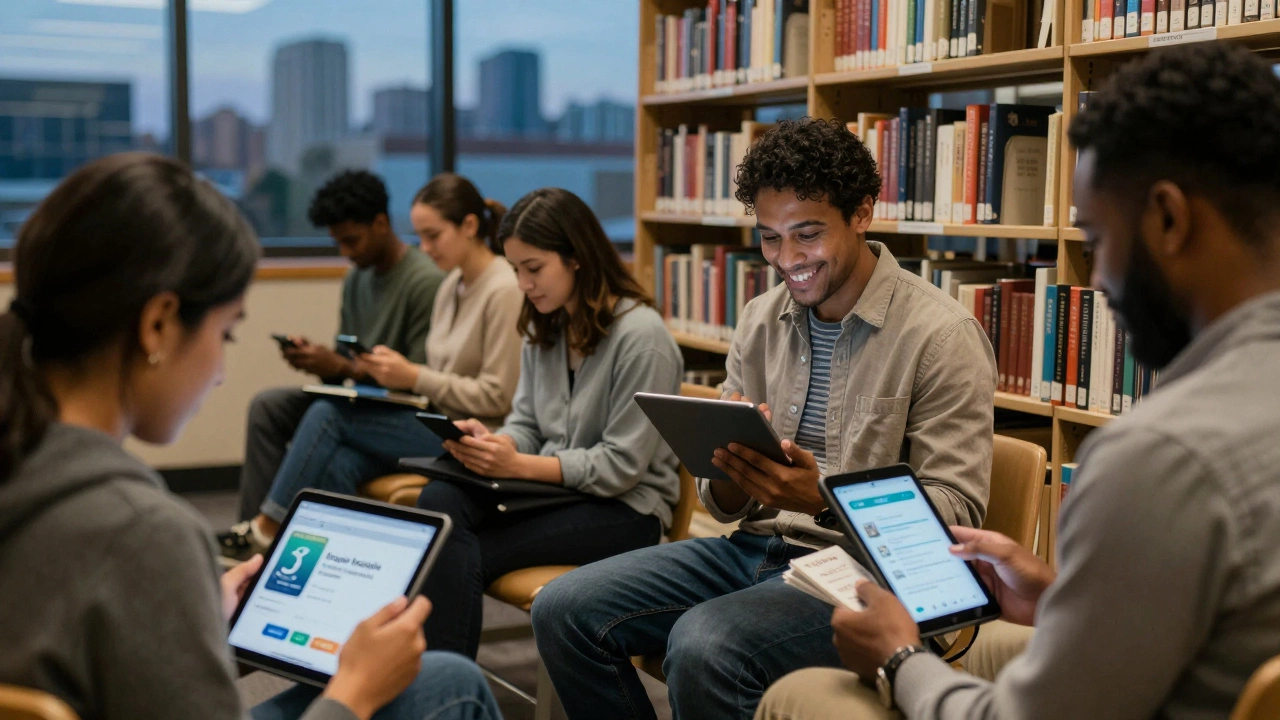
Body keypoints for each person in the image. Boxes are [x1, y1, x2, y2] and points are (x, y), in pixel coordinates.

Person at [756, 42, 1280, 720]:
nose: (1096, 281)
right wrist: (1064, 595)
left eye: (1096, 238)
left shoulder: (1158, 458)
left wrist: (900, 657)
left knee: (794, 697)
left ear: (1169, 219)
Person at [0, 153, 502, 720]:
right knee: (451, 683)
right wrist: (354, 691)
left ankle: (260, 533)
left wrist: (189, 620)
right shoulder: (143, 535)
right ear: (158, 324)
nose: (218, 370)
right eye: (227, 333)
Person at [530, 117, 997, 719]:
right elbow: (721, 505)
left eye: (807, 235)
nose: (788, 260)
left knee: (705, 643)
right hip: (759, 548)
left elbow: (954, 517)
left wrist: (822, 497)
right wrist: (728, 466)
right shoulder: (759, 318)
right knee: (563, 609)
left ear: (862, 213)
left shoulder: (941, 334)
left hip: (870, 578)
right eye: (771, 238)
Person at [414, 187, 684, 658]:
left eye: (533, 268)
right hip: (557, 493)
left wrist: (515, 466)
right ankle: (440, 685)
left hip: (627, 510)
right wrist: (495, 442)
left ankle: (441, 688)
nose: (522, 283)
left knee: (453, 552)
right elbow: (527, 424)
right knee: (438, 498)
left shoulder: (642, 337)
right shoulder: (546, 322)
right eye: (516, 269)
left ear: (576, 257)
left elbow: (621, 466)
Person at [219, 173, 524, 561]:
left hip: (471, 432)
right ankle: (344, 578)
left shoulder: (502, 289)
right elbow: (435, 375)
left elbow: (498, 396)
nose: (425, 248)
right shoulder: (452, 285)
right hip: (436, 419)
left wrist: (412, 375)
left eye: (433, 236)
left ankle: (265, 534)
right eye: (421, 237)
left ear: (469, 226)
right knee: (338, 463)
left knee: (328, 415)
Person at [233, 170, 444, 524]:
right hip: (361, 404)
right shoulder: (357, 278)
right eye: (338, 243)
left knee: (326, 416)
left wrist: (343, 368)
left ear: (380, 223)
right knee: (267, 407)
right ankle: (252, 533)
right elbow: (345, 361)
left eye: (352, 240)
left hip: (410, 416)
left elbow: (422, 383)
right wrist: (319, 361)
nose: (345, 252)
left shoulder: (425, 282)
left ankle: (266, 528)